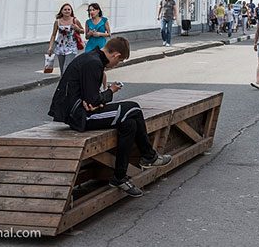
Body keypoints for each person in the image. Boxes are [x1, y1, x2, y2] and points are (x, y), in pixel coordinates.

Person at [48, 37, 172, 197]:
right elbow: (93, 100)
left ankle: (119, 177)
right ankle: (149, 156)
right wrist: (111, 91)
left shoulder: (91, 58)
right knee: (133, 108)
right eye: (119, 61)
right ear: (115, 55)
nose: (116, 65)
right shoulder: (94, 63)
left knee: (129, 124)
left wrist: (96, 100)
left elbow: (91, 98)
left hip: (81, 111)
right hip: (80, 117)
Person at [48, 3, 84, 75]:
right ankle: (64, 83)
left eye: (68, 9)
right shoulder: (57, 22)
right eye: (65, 9)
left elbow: (83, 31)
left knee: (66, 67)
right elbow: (53, 35)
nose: (67, 11)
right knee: (62, 69)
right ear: (61, 11)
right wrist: (50, 47)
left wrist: (77, 29)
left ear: (71, 11)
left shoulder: (75, 20)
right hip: (60, 47)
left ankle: (65, 85)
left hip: (71, 47)